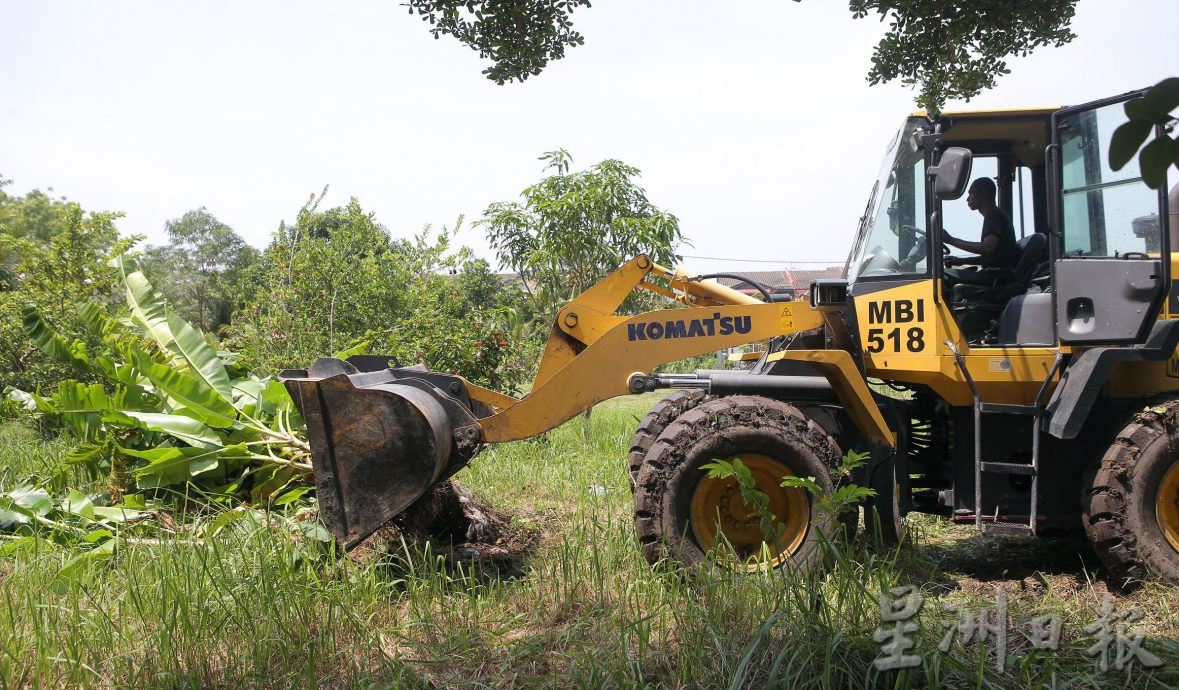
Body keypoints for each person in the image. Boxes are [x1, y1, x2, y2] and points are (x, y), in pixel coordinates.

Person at [942, 177, 1019, 271]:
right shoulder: (996, 215)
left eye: (971, 193)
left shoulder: (993, 215)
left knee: (942, 275)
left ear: (983, 194)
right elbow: (992, 258)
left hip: (995, 276)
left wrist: (950, 240)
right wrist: (961, 261)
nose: (967, 199)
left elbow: (988, 248)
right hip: (996, 274)